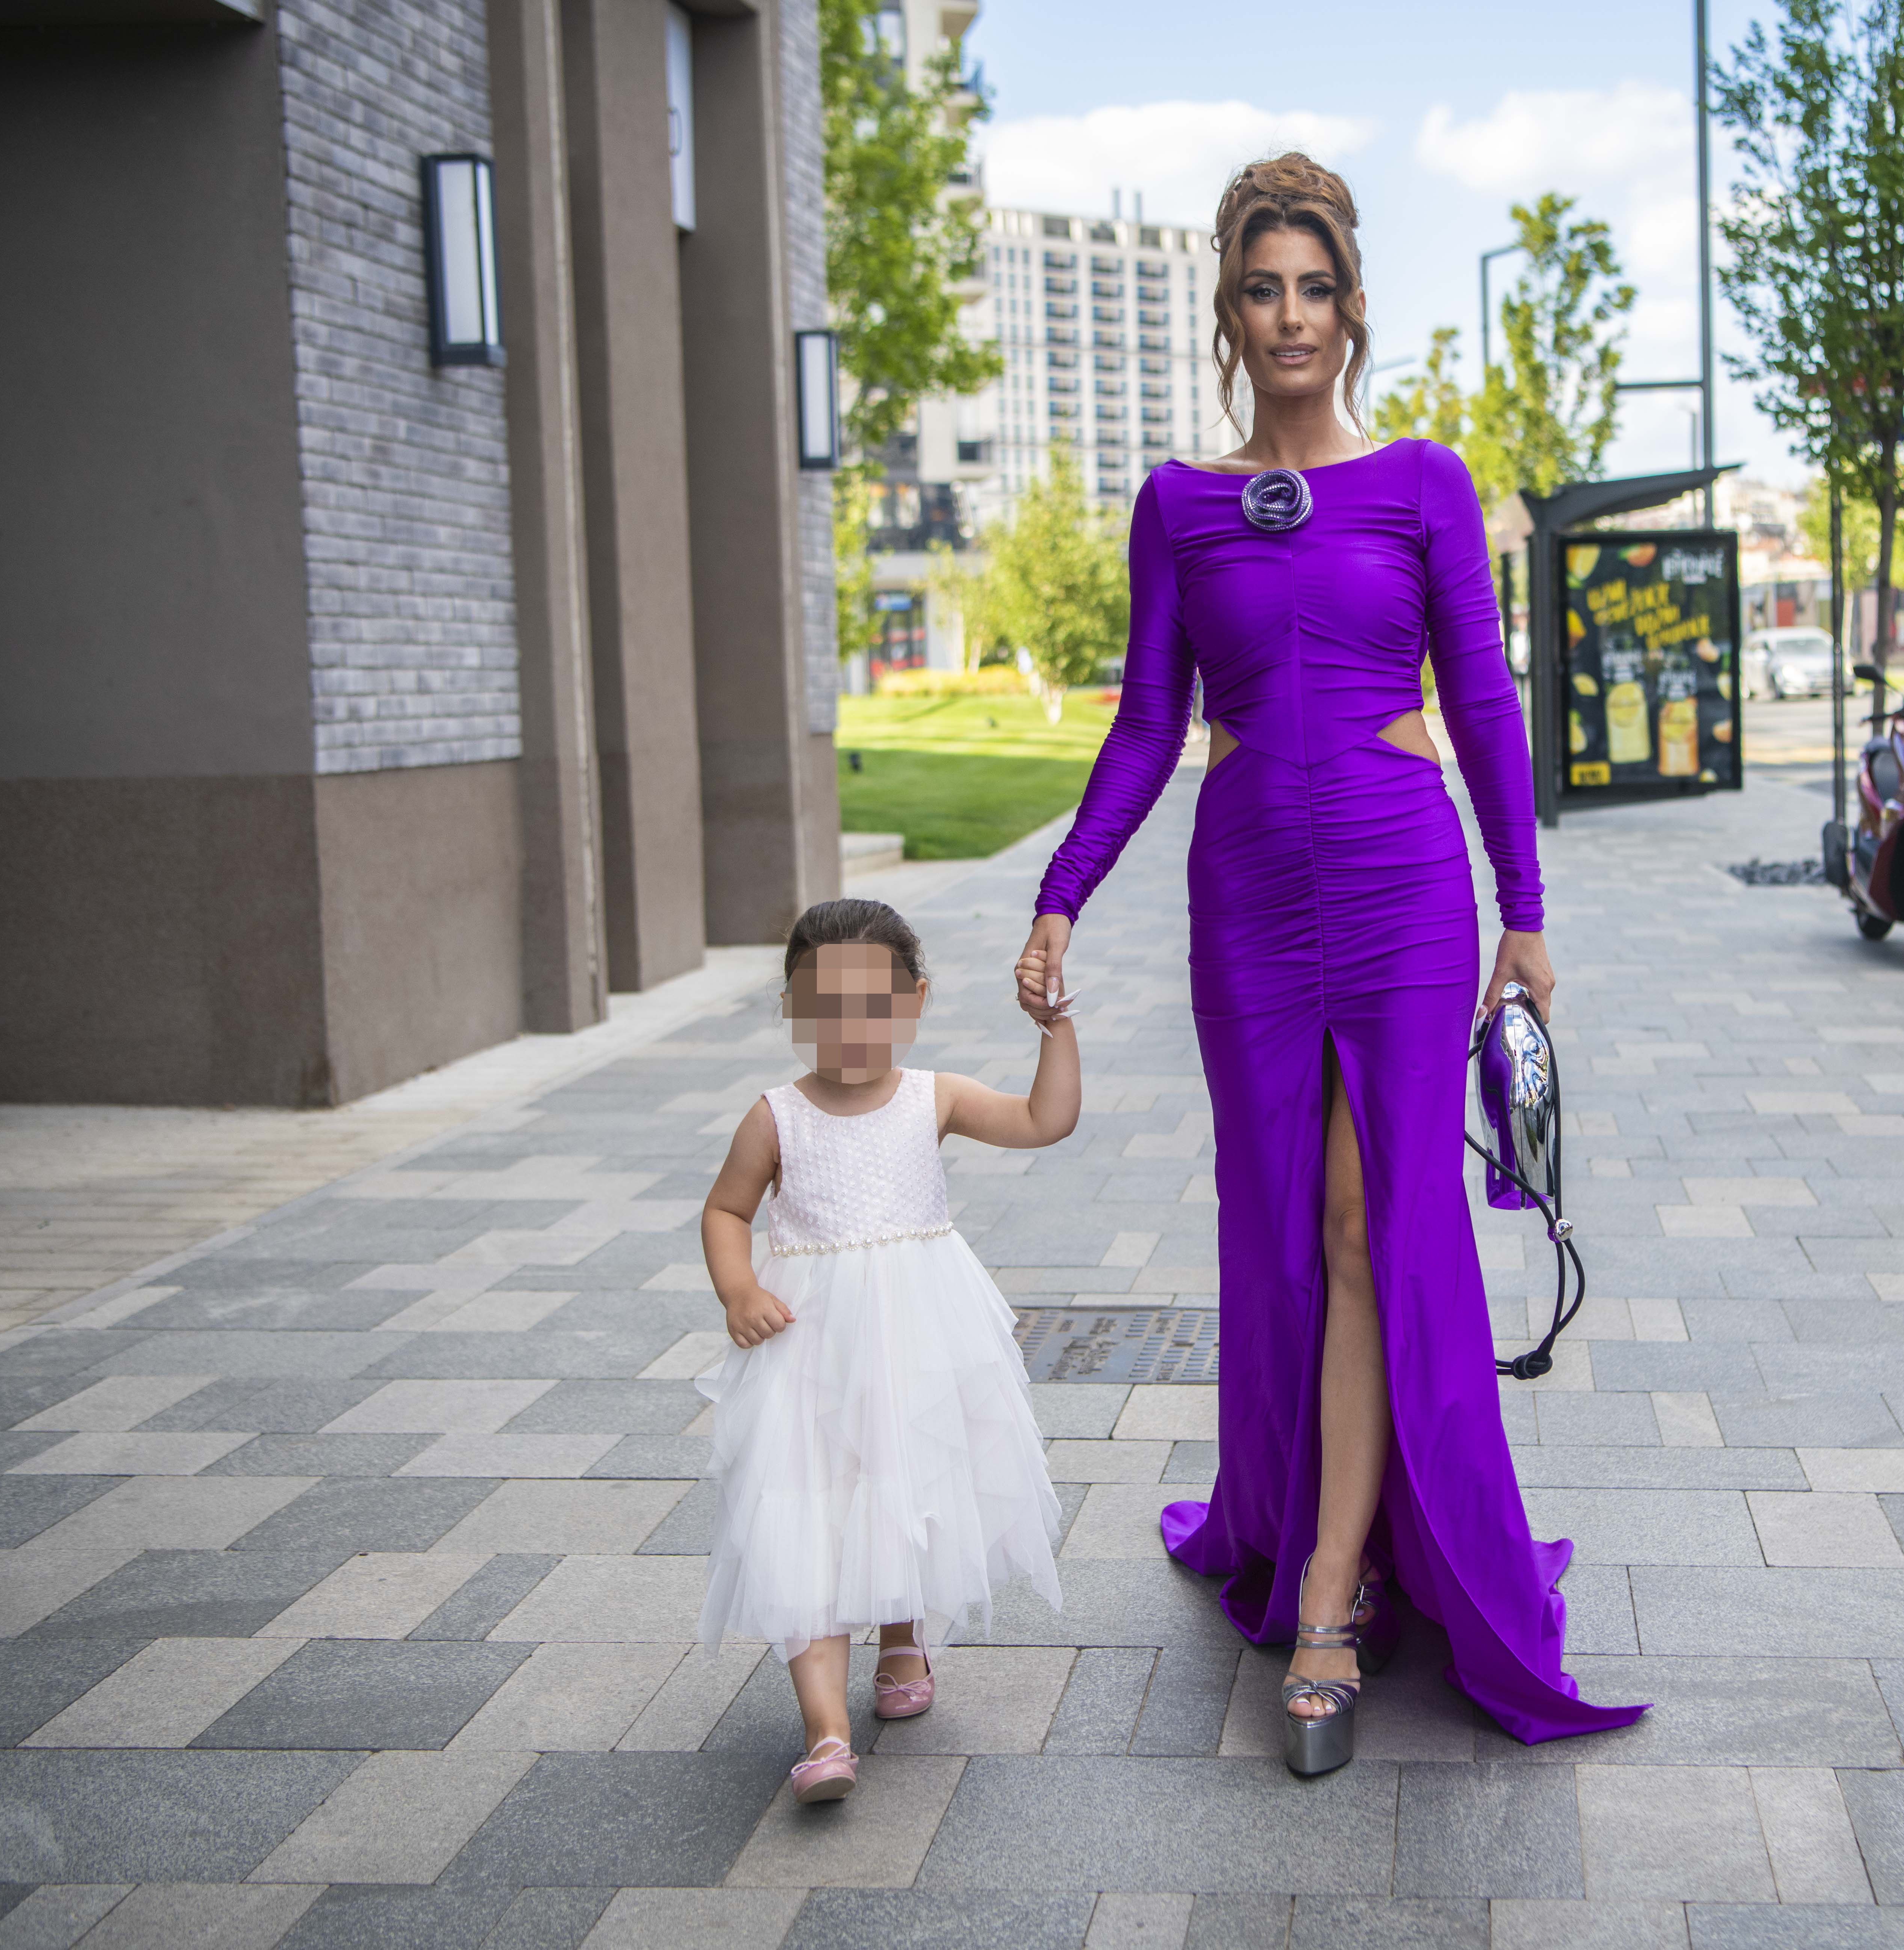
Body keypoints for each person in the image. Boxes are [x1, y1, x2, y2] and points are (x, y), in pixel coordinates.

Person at [1018, 154, 1644, 1772]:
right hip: (1243, 897)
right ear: (1229, 316)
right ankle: (1313, 1520)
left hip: (1399, 886)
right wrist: (1062, 892)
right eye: (1260, 289)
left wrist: (1522, 908)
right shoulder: (1177, 502)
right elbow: (1147, 722)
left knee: (1376, 1220)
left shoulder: (1425, 482)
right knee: (1281, 1231)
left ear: (1351, 308)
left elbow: (1483, 701)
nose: (1288, 314)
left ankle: (1328, 1596)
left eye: (1312, 287)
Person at [695, 898, 1073, 1803]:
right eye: (822, 1007)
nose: (848, 1027)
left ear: (915, 1001)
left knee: (902, 1481)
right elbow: (726, 1209)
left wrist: (1055, 1028)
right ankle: (825, 1731)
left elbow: (1042, 1120)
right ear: (791, 1006)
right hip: (809, 1348)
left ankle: (903, 1636)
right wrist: (739, 1289)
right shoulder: (776, 1116)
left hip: (916, 1335)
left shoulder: (931, 1097)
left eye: (872, 1005)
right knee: (806, 1510)